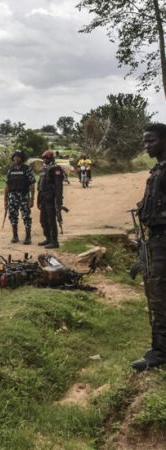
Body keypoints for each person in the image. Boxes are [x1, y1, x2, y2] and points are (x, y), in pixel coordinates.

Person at [133, 123, 166, 371]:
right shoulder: (158, 170)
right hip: (156, 238)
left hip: (163, 240)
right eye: (144, 141)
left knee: (157, 295)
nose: (146, 145)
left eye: (151, 141)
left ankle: (160, 352)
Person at [4, 149, 35, 245]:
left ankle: (28, 237)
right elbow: (7, 185)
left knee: (26, 216)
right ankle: (15, 236)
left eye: (18, 156)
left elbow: (32, 185)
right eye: (15, 157)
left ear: (22, 158)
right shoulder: (11, 169)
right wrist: (5, 199)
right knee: (13, 216)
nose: (16, 158)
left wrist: (32, 199)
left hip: (24, 196)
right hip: (12, 196)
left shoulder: (27, 169)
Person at [37, 150, 64, 249]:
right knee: (43, 220)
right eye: (43, 158)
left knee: (51, 220)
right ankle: (48, 238)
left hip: (51, 199)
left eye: (46, 158)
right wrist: (38, 199)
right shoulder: (45, 169)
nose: (44, 160)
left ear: (51, 158)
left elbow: (58, 186)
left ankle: (54, 241)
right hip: (44, 198)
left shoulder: (56, 169)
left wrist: (58, 201)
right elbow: (40, 186)